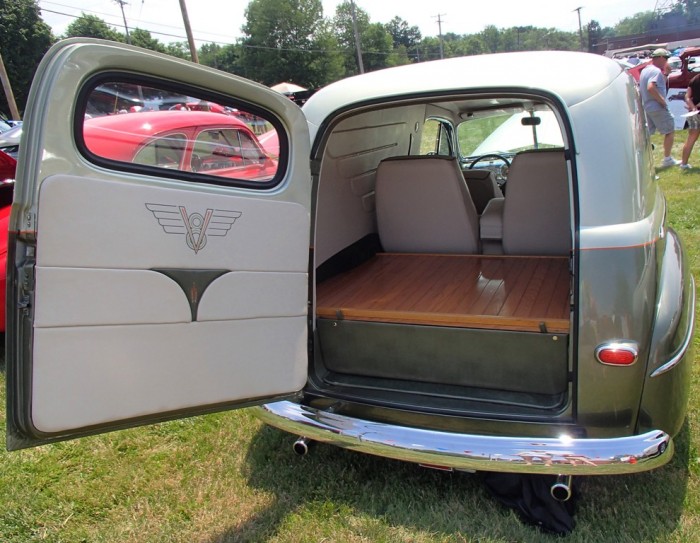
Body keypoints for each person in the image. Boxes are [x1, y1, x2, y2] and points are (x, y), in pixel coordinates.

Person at [639, 48, 680, 167]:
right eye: (666, 58)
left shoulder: (645, 71)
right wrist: (662, 102)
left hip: (647, 106)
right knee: (670, 130)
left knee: (647, 135)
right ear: (661, 58)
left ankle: (644, 161)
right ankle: (667, 159)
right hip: (656, 105)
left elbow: (657, 85)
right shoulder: (655, 71)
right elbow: (651, 88)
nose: (667, 61)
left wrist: (666, 74)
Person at [680, 73, 700, 170]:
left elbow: (687, 96)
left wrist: (693, 107)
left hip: (693, 113)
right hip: (696, 110)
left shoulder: (694, 79)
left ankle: (683, 164)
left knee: (691, 139)